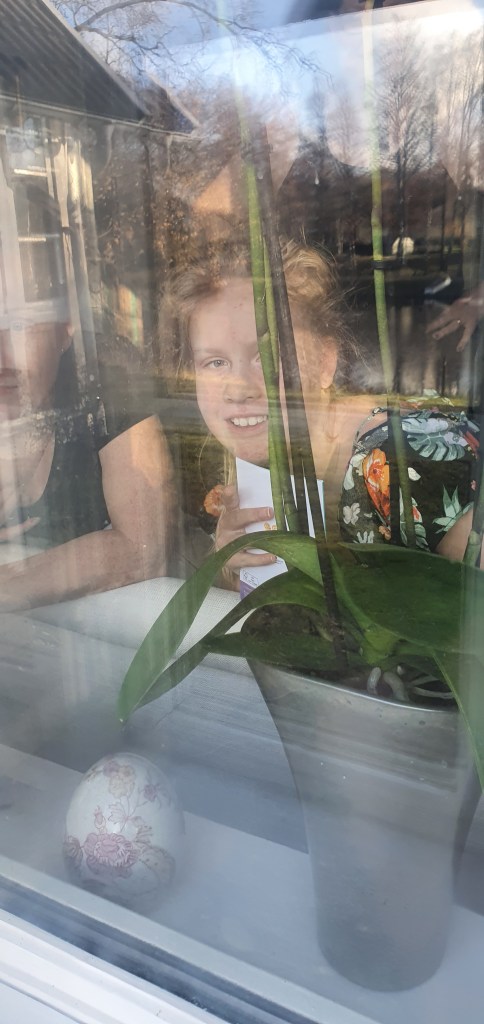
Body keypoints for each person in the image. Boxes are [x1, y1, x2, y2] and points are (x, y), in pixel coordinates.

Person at [163, 240, 480, 587]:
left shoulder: (396, 463)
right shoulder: (267, 467)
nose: (238, 390)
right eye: (215, 362)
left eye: (267, 358)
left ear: (326, 363)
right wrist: (230, 559)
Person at [0, 317, 175, 611]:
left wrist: (10, 586)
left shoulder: (104, 379)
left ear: (65, 330)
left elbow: (144, 551)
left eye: (18, 324)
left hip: (117, 621)